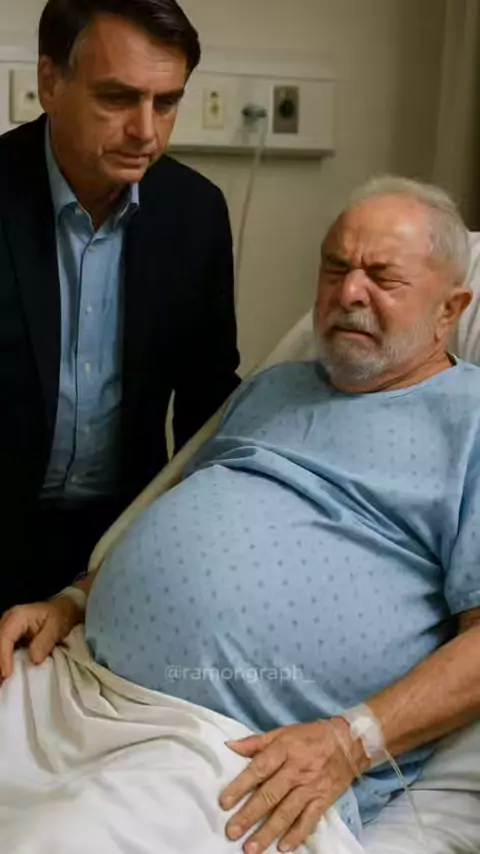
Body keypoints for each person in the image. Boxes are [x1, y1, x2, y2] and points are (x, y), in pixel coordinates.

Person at [1, 176, 480, 854]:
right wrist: (73, 601)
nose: (349, 292)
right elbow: (183, 516)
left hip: (229, 749)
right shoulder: (274, 388)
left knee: (50, 841)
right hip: (75, 682)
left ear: (450, 309)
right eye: (336, 267)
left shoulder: (470, 424)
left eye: (383, 277)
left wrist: (351, 741)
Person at [0, 0, 240, 615]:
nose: (147, 132)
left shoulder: (195, 213)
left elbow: (208, 403)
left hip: (125, 541)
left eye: (167, 102)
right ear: (50, 83)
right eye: (118, 98)